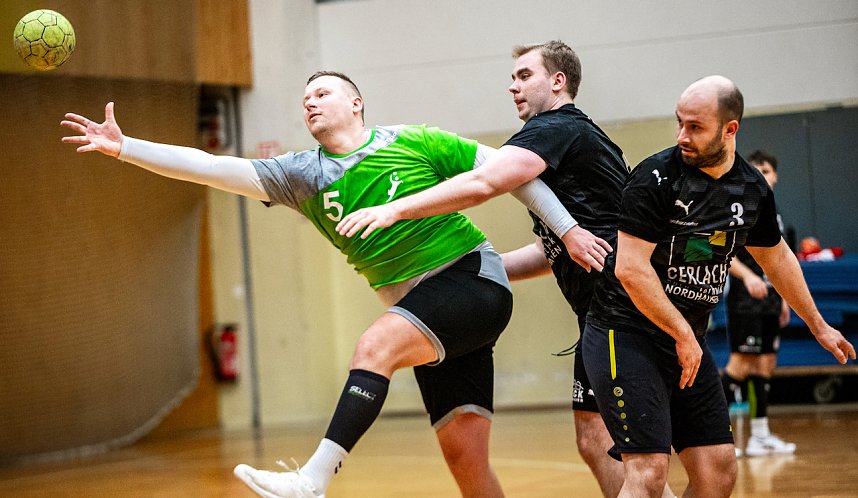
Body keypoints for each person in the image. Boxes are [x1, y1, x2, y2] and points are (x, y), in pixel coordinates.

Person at [60, 71, 588, 498]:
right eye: (304, 97)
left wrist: (567, 231)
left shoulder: (416, 141)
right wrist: (126, 147)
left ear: (356, 103)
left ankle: (311, 480)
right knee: (468, 467)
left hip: (471, 279)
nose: (309, 102)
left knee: (373, 346)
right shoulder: (300, 175)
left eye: (322, 92)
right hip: (428, 312)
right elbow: (208, 166)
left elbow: (513, 173)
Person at [336, 40, 672, 498]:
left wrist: (394, 210)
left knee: (642, 459)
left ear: (558, 81)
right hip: (601, 313)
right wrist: (482, 270)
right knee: (595, 439)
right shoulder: (575, 137)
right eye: (513, 77)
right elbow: (553, 252)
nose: (512, 86)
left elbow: (483, 181)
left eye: (524, 75)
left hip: (625, 311)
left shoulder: (553, 128)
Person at [582, 75, 856, 498]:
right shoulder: (655, 178)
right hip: (626, 334)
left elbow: (777, 258)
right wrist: (681, 335)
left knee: (718, 471)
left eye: (695, 127)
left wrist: (818, 325)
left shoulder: (751, 188)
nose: (682, 136)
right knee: (650, 472)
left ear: (730, 129)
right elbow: (631, 270)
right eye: (679, 123)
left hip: (687, 341)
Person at [721, 150, 796, 457]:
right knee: (739, 366)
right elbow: (720, 251)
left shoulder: (773, 212)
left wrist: (784, 299)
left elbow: (780, 262)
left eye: (766, 171)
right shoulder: (737, 209)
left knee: (765, 366)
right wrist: (748, 278)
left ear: (775, 175)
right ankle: (718, 438)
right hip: (744, 300)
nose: (761, 176)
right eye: (756, 171)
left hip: (770, 300)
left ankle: (760, 437)